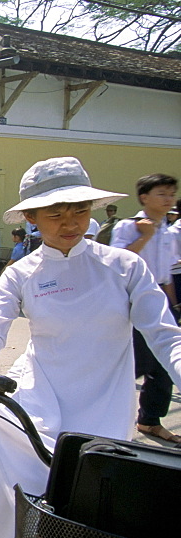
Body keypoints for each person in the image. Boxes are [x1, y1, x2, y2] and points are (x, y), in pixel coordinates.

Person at [0, 156, 181, 538]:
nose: (70, 222)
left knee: (91, 496)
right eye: (55, 213)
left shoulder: (123, 266)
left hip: (104, 399)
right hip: (41, 395)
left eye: (80, 210)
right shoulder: (22, 273)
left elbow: (164, 334)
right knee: (11, 468)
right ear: (33, 217)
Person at [111, 173, 180, 444]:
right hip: (133, 303)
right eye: (162, 193)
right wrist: (145, 236)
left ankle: (149, 420)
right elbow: (118, 264)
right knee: (133, 364)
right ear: (144, 197)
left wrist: (174, 305)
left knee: (163, 369)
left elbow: (166, 274)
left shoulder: (168, 230)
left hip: (161, 301)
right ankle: (107, 420)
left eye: (171, 194)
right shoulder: (129, 227)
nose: (168, 199)